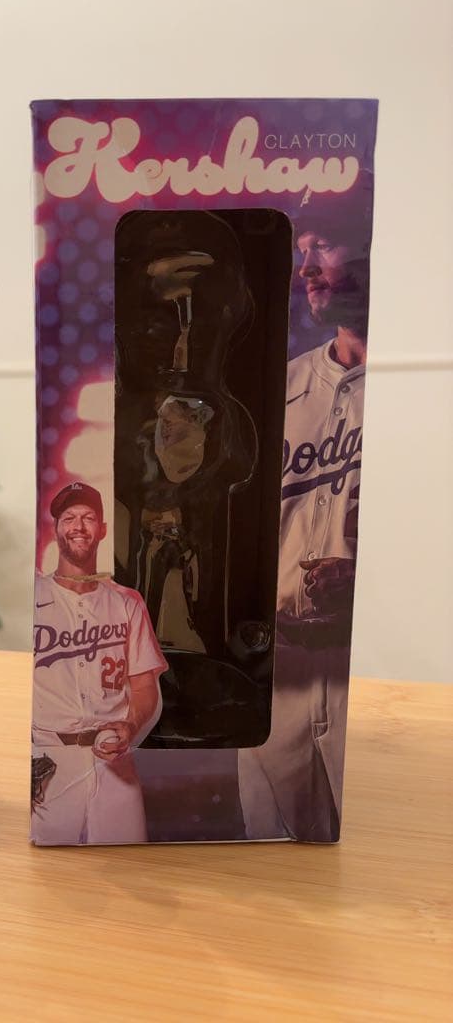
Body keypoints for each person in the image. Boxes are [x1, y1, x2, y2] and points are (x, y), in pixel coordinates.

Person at [238, 186, 372, 841]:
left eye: (326, 244)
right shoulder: (280, 386)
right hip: (280, 672)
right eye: (303, 250)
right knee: (269, 861)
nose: (308, 268)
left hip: (365, 673)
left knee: (375, 854)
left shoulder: (416, 390)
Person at [31, 481, 167, 844]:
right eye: (69, 518)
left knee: (126, 857)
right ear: (55, 528)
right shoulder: (32, 597)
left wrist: (131, 724)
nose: (78, 526)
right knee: (50, 868)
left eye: (88, 517)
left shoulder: (127, 601)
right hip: (49, 758)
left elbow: (144, 686)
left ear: (103, 530)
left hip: (114, 758)